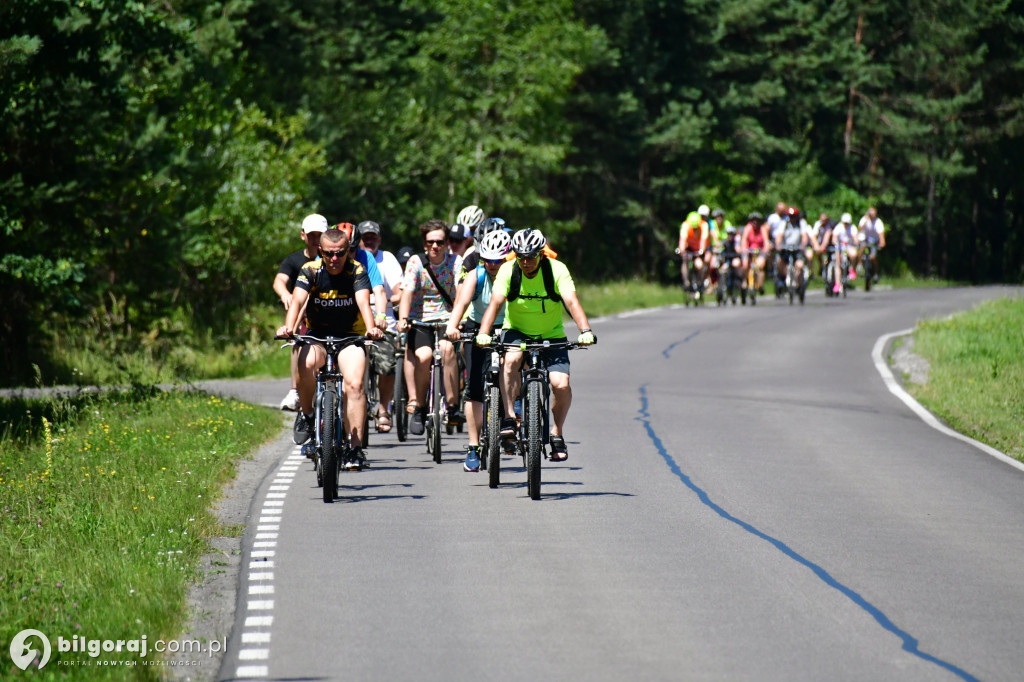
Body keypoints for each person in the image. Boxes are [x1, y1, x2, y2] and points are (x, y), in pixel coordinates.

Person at [474, 228, 596, 462]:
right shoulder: (509, 270)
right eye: (521, 256)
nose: (526, 261)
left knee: (561, 385)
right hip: (516, 331)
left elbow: (571, 301)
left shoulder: (557, 270)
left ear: (541, 253)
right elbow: (496, 303)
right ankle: (510, 417)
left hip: (551, 334)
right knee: (510, 360)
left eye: (531, 256)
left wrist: (585, 330)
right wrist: (483, 333)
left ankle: (557, 433)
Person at [276, 228, 384, 470]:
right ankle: (306, 414)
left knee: (355, 384)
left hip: (350, 336)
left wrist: (372, 328)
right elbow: (298, 301)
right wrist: (289, 327)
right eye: (329, 254)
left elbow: (363, 302)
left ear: (348, 251)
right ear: (320, 251)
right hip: (317, 335)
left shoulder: (356, 270)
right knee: (306, 365)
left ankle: (355, 449)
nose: (335, 259)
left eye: (341, 253)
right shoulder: (310, 270)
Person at [445, 229, 512, 472]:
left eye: (498, 260)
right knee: (473, 387)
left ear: (506, 258)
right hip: (475, 326)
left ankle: (509, 421)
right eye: (488, 260)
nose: (493, 265)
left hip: (506, 326)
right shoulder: (476, 275)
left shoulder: (514, 275)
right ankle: (473, 446)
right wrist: (453, 327)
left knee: (509, 369)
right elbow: (461, 304)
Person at [396, 219, 463, 435]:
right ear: (424, 244)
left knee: (447, 351)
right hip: (420, 320)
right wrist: (403, 318)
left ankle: (452, 406)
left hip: (448, 320)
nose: (435, 246)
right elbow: (406, 292)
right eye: (430, 242)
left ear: (447, 243)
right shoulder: (416, 262)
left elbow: (461, 292)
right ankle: (420, 407)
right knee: (424, 357)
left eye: (440, 242)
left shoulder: (456, 262)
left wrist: (458, 320)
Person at [273, 213, 328, 412]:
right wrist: (286, 294)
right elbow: (279, 281)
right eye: (311, 235)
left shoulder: (334, 260)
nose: (315, 240)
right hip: (302, 313)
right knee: (296, 338)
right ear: (303, 235)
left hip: (329, 312)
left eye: (319, 235)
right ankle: (295, 389)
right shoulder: (294, 260)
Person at [358, 220, 403, 433]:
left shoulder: (388, 259)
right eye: (365, 237)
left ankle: (383, 408)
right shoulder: (351, 260)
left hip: (384, 323)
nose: (369, 240)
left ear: (379, 239)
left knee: (387, 365)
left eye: (373, 237)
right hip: (356, 324)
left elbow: (397, 289)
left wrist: (386, 307)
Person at [775, 206, 809, 292]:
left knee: (800, 265)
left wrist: (803, 245)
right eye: (790, 216)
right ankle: (782, 278)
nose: (792, 218)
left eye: (793, 216)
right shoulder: (784, 223)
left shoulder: (801, 223)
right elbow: (779, 236)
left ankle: (799, 284)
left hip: (797, 248)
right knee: (779, 261)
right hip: (786, 248)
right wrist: (778, 245)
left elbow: (804, 236)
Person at [678, 205, 711, 291]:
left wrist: (701, 251)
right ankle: (686, 282)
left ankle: (700, 282)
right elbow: (682, 241)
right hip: (689, 248)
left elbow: (703, 241)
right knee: (685, 260)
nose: (695, 229)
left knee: (699, 265)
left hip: (698, 250)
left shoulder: (704, 225)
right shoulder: (685, 225)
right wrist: (682, 251)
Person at [740, 212, 769, 295]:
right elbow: (744, 240)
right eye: (753, 221)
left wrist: (765, 249)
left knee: (761, 265)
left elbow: (766, 241)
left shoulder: (762, 229)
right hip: (749, 251)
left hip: (760, 251)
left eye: (757, 221)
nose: (755, 223)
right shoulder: (748, 228)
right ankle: (745, 281)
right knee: (745, 265)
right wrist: (744, 249)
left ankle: (760, 285)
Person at [832, 213, 860, 292]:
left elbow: (856, 239)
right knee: (838, 263)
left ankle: (852, 268)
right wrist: (836, 242)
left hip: (849, 246)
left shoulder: (853, 228)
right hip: (840, 247)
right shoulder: (838, 227)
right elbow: (834, 238)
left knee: (854, 254)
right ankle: (837, 283)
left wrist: (856, 242)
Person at [857, 206, 886, 282]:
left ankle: (876, 273)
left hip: (874, 241)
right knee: (862, 248)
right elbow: (860, 229)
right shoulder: (864, 220)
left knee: (873, 257)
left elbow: (881, 235)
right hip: (865, 239)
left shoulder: (878, 222)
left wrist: (882, 243)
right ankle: (859, 264)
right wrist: (866, 220)